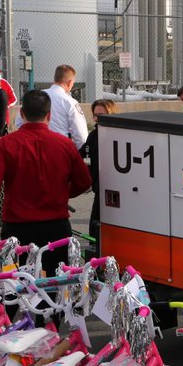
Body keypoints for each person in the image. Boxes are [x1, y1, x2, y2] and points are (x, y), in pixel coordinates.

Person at [0, 90, 92, 275]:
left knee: (16, 287)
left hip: (18, 229)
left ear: (21, 114)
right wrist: (61, 193)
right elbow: (84, 181)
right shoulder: (65, 144)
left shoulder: (5, 145)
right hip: (56, 227)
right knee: (57, 289)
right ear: (49, 115)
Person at [85, 98, 117, 251]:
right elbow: (83, 155)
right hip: (99, 189)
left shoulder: (119, 134)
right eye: (96, 115)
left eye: (102, 115)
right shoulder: (93, 136)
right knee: (94, 231)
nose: (98, 119)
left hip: (116, 191)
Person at [40, 64, 89, 151]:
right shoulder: (70, 102)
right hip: (60, 149)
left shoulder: (36, 96)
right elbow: (81, 136)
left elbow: (19, 122)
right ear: (70, 82)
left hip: (36, 147)